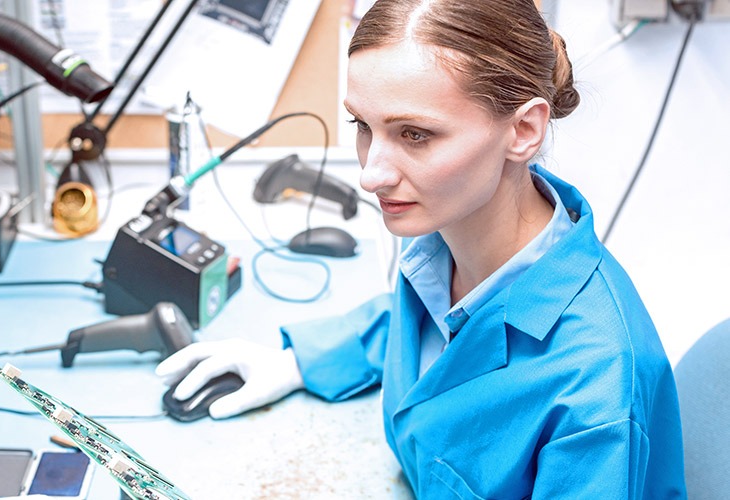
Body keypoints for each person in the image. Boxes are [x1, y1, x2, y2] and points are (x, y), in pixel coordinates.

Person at [156, 0, 687, 497]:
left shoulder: (598, 392)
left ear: (523, 130)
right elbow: (428, 331)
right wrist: (297, 363)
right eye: (363, 126)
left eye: (415, 135)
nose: (371, 174)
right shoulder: (446, 235)